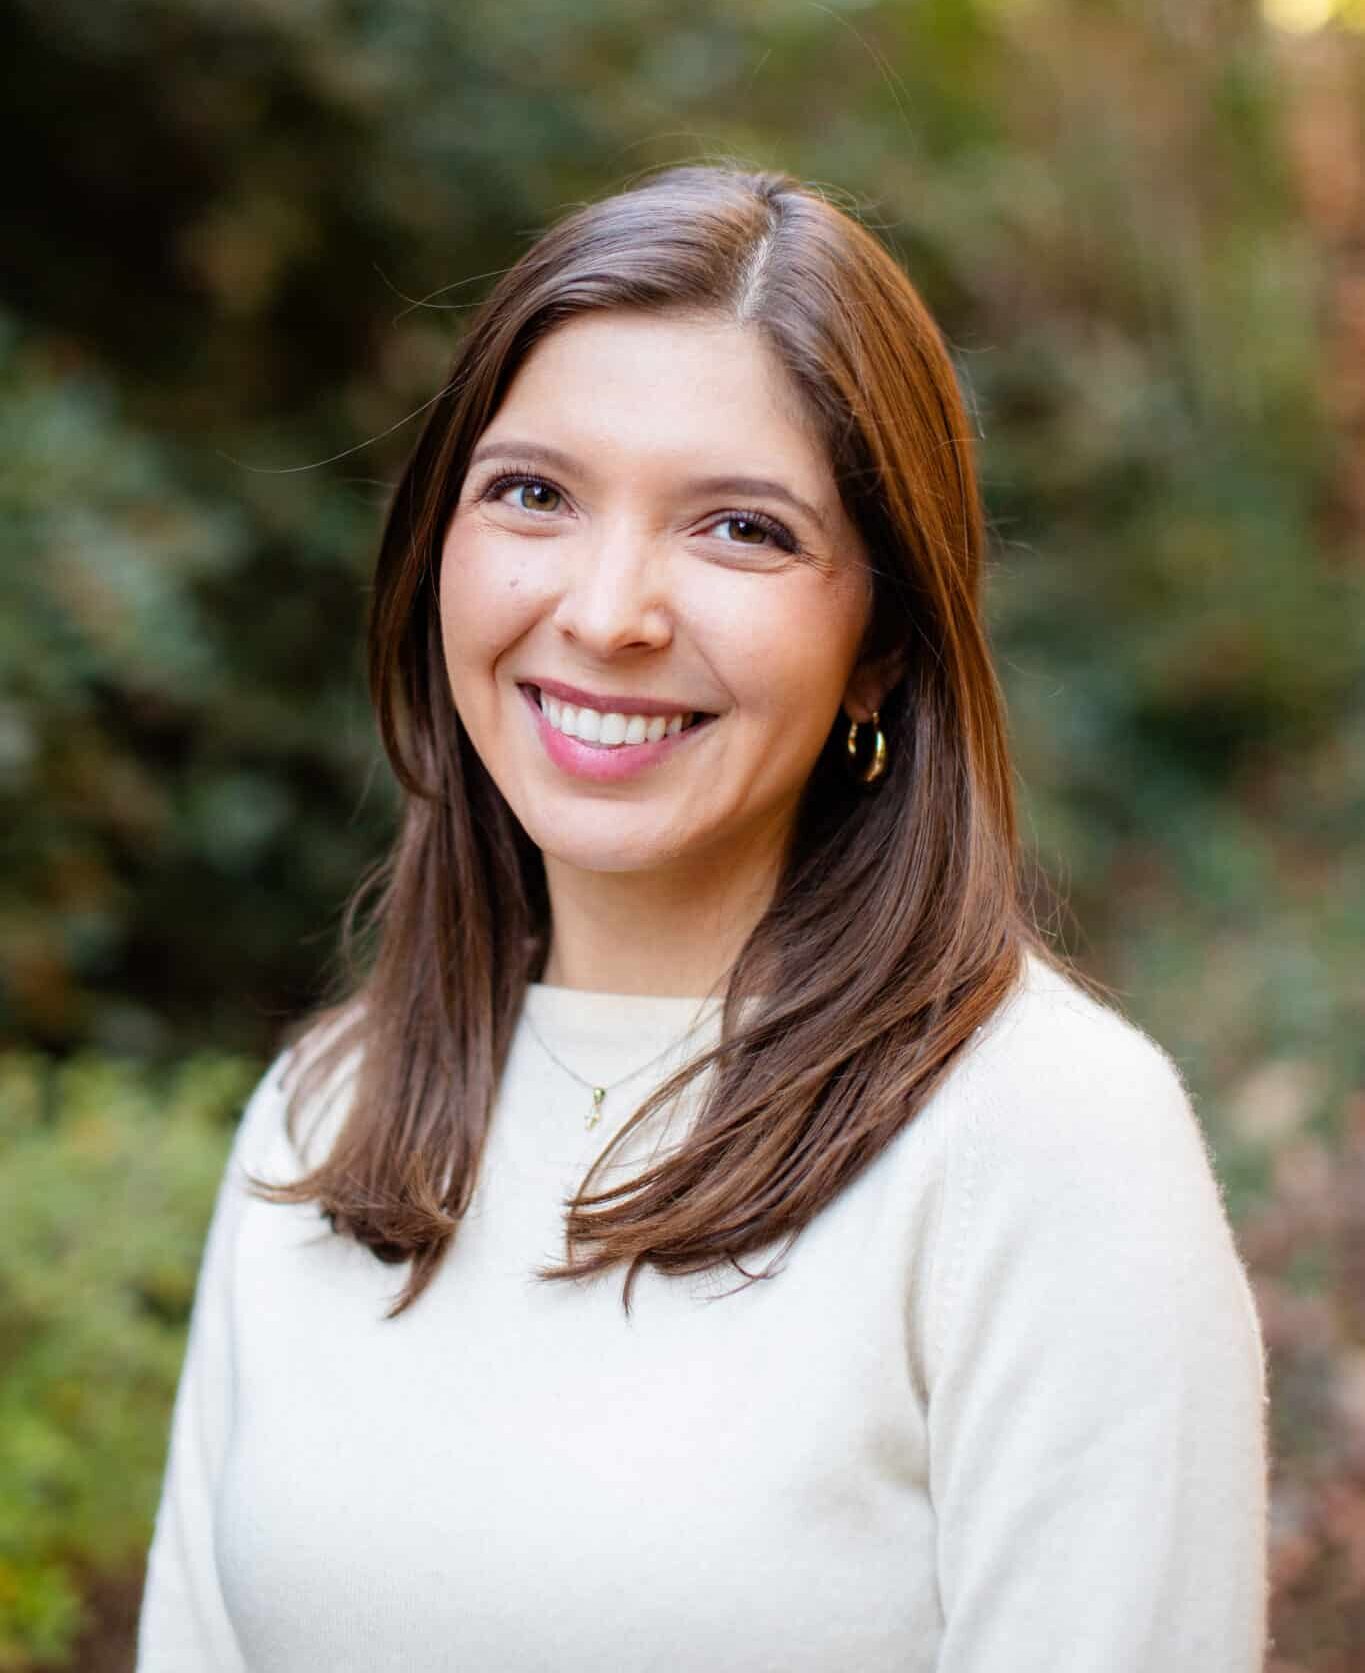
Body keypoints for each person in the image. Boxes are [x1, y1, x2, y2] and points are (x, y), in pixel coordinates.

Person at [136, 163, 1269, 1672]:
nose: (607, 612)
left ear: (882, 645)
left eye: (739, 529)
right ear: (437, 552)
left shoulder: (1045, 1142)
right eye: (532, 493)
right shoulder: (323, 1117)